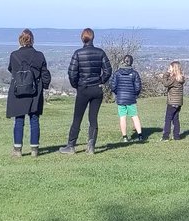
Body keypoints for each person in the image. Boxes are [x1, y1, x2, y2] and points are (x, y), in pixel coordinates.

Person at [59, 27, 112, 155]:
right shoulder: (100, 52)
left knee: (77, 118)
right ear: (93, 38)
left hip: (83, 88)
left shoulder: (78, 53)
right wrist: (100, 81)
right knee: (93, 118)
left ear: (82, 38)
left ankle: (71, 146)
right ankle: (91, 145)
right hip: (96, 89)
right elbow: (108, 70)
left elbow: (72, 73)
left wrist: (76, 85)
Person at [7, 29, 52, 157]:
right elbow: (45, 74)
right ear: (32, 40)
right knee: (34, 119)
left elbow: (11, 69)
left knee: (19, 120)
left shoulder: (14, 55)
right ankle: (34, 149)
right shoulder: (39, 55)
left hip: (18, 91)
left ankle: (17, 150)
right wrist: (45, 86)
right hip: (35, 91)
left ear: (20, 40)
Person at [111, 54, 144, 142]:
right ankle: (140, 135)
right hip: (131, 98)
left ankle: (125, 137)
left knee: (122, 117)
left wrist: (118, 93)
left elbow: (113, 86)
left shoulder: (117, 73)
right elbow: (138, 87)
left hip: (121, 98)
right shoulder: (134, 73)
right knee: (134, 116)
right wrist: (134, 94)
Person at [160, 60, 185, 141]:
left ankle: (165, 136)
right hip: (179, 102)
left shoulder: (173, 79)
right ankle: (176, 136)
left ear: (173, 69)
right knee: (175, 119)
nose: (169, 69)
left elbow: (165, 83)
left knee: (168, 119)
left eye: (170, 68)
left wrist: (166, 74)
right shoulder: (181, 78)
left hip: (172, 102)